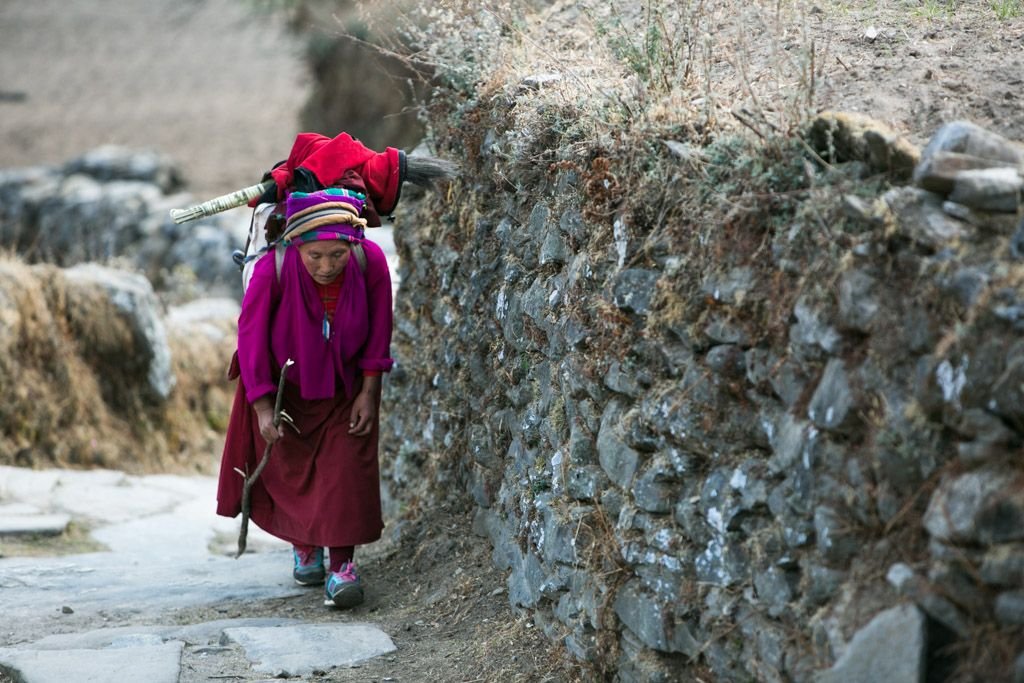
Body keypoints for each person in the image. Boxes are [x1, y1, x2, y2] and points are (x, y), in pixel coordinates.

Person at [216, 185, 393, 609]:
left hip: (346, 390)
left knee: (346, 473)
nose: (326, 266)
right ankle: (305, 546)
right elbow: (252, 338)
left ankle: (342, 568)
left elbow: (380, 330)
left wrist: (370, 391)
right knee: (292, 471)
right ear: (295, 245)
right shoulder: (272, 270)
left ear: (355, 244)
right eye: (315, 256)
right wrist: (261, 407)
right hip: (284, 394)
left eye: (337, 255)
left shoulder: (371, 264)